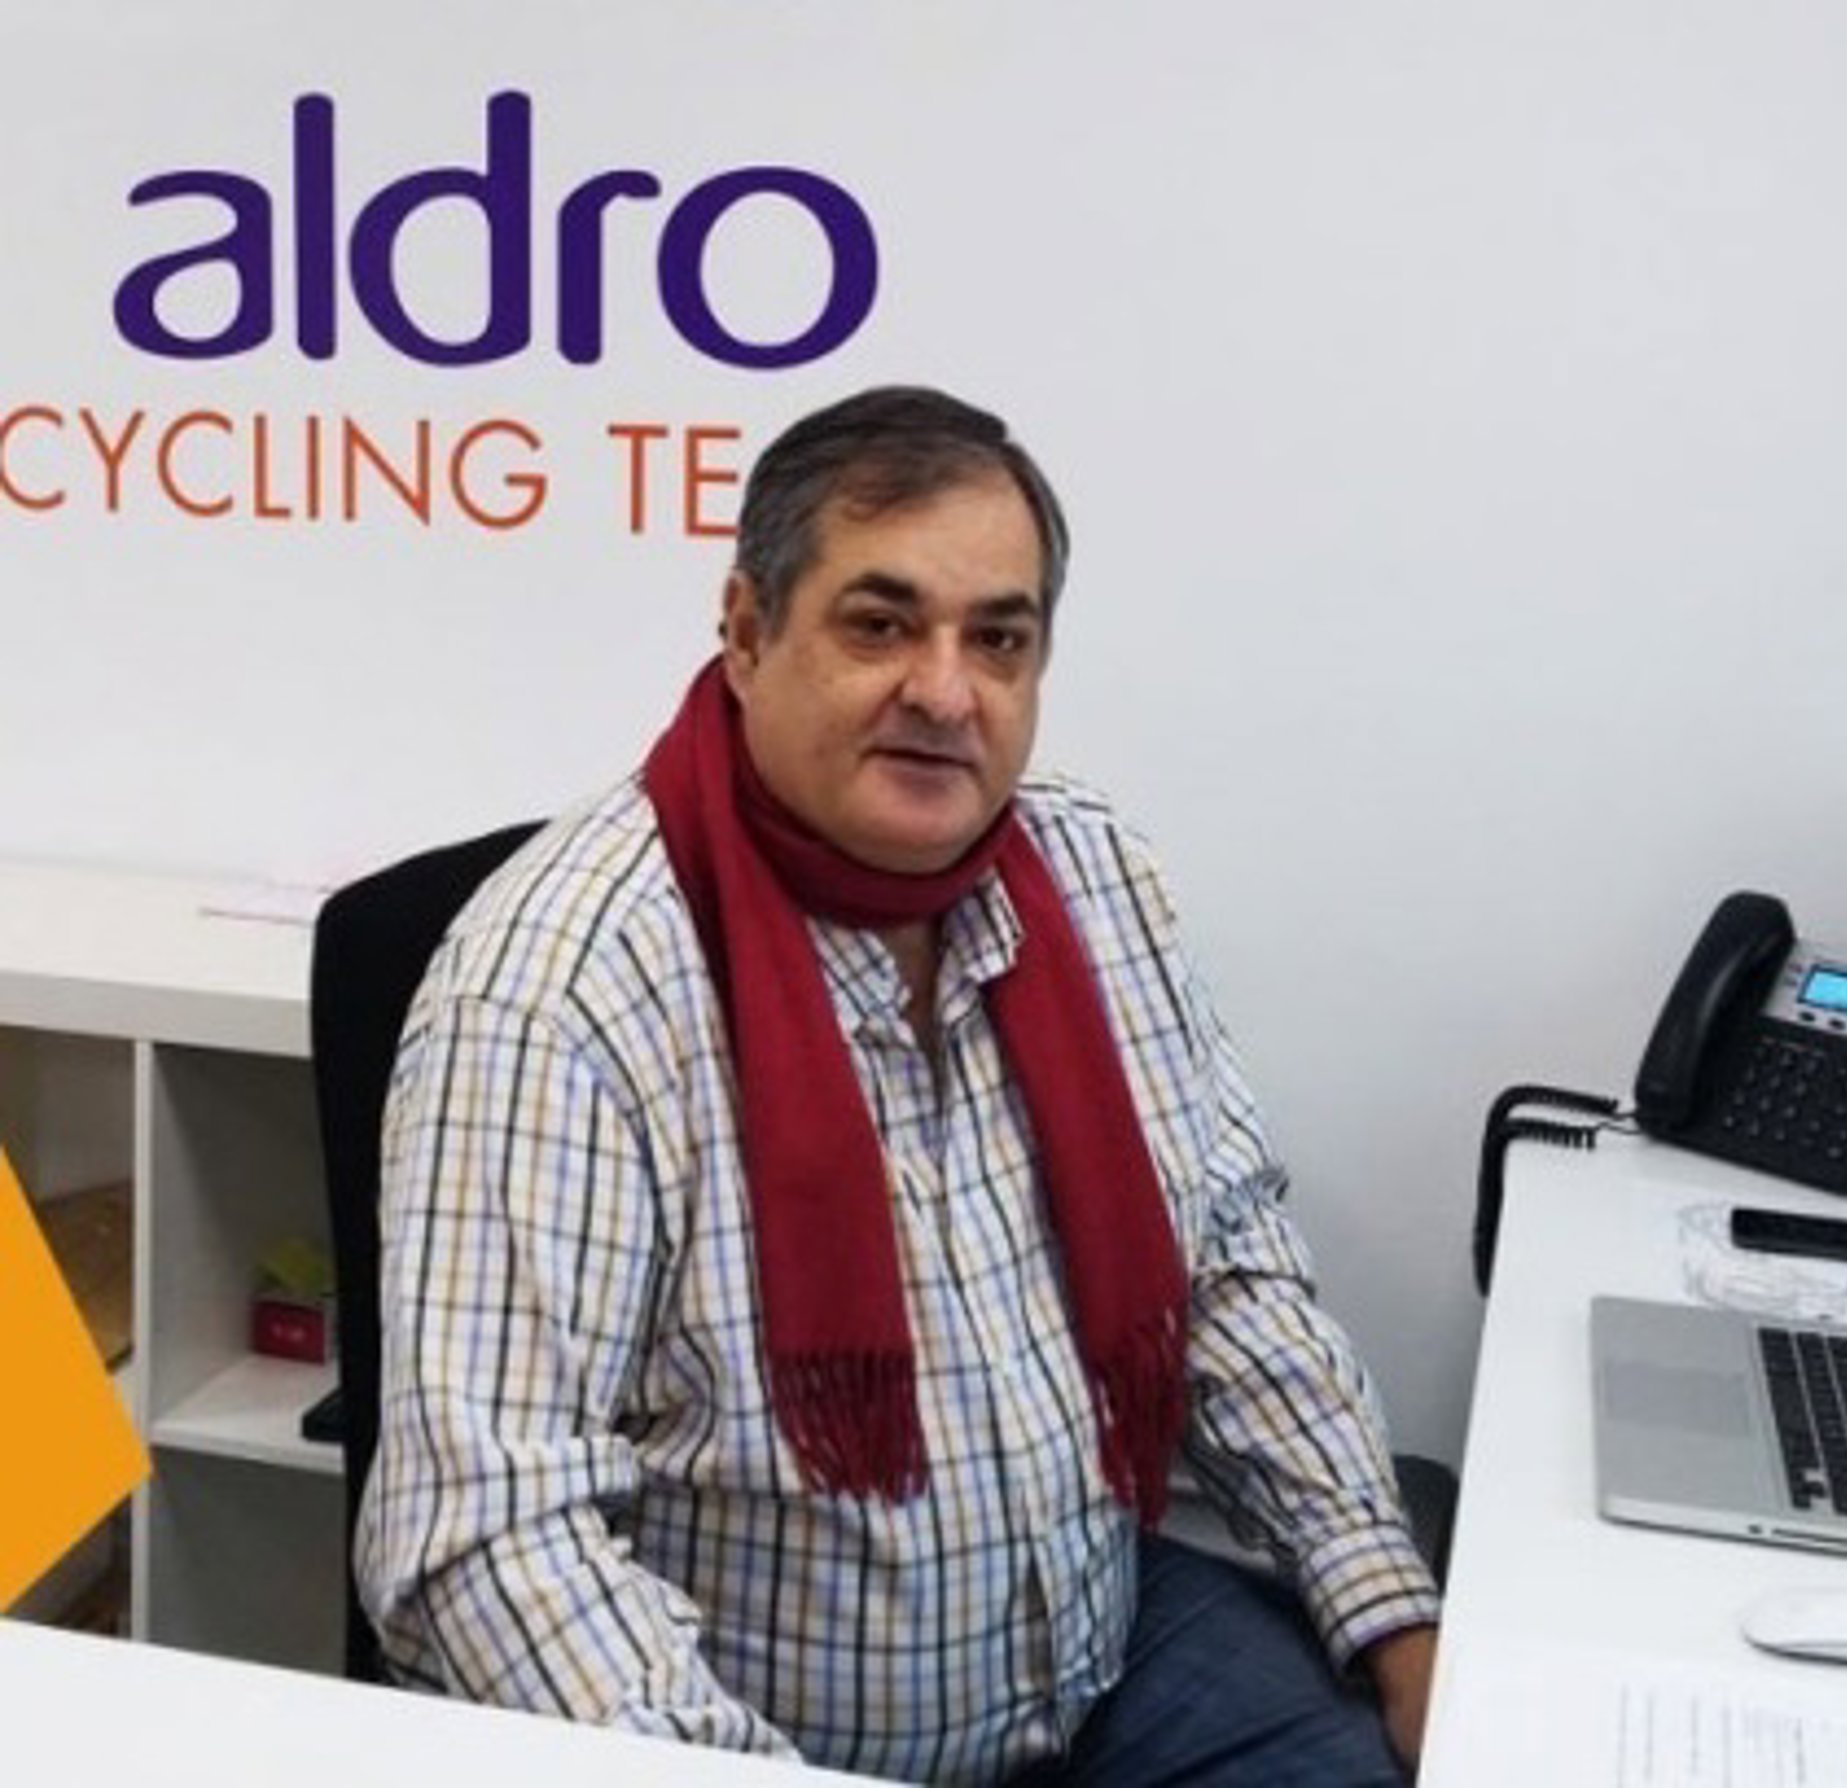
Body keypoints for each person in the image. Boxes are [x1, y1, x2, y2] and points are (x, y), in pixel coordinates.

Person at [356, 386, 1442, 1785]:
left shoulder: (1093, 877)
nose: (945, 692)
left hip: (1103, 1652)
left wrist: (1398, 1623)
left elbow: (1225, 1281)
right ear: (748, 632)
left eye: (999, 639)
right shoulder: (563, 985)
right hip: (761, 1729)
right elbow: (485, 1535)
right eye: (881, 625)